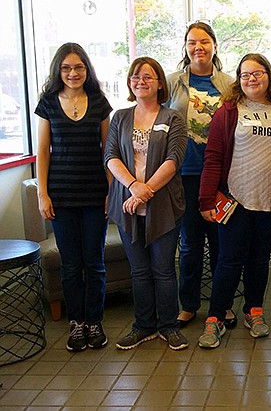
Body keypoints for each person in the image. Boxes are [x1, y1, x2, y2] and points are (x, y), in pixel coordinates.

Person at [198, 53, 271, 348]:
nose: (251, 79)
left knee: (259, 260)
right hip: (235, 201)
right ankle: (215, 318)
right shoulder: (228, 111)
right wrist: (205, 200)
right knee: (228, 261)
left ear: (269, 75)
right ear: (238, 79)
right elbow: (212, 158)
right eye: (245, 74)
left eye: (257, 73)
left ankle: (254, 310)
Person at [105, 57, 189, 351]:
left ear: (159, 83)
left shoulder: (173, 118)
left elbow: (173, 160)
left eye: (148, 77)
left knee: (163, 269)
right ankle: (143, 326)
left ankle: (168, 325)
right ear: (130, 82)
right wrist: (133, 187)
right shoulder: (120, 117)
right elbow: (111, 156)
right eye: (135, 76)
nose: (141, 81)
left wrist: (145, 190)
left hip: (163, 204)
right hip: (126, 204)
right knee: (139, 270)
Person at [35, 42, 112, 352]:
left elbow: (109, 152)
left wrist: (110, 191)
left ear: (87, 70)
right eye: (66, 68)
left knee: (94, 263)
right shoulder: (48, 103)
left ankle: (95, 322)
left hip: (95, 195)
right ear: (58, 71)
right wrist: (43, 194)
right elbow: (42, 151)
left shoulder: (99, 102)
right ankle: (76, 323)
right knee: (70, 264)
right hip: (62, 197)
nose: (72, 73)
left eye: (78, 67)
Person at [165, 21, 235, 329]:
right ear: (185, 46)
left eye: (204, 42)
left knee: (222, 243)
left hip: (221, 176)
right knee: (191, 244)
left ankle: (223, 306)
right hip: (185, 174)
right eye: (192, 42)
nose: (198, 47)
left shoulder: (230, 85)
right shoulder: (171, 83)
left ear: (215, 46)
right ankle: (189, 304)